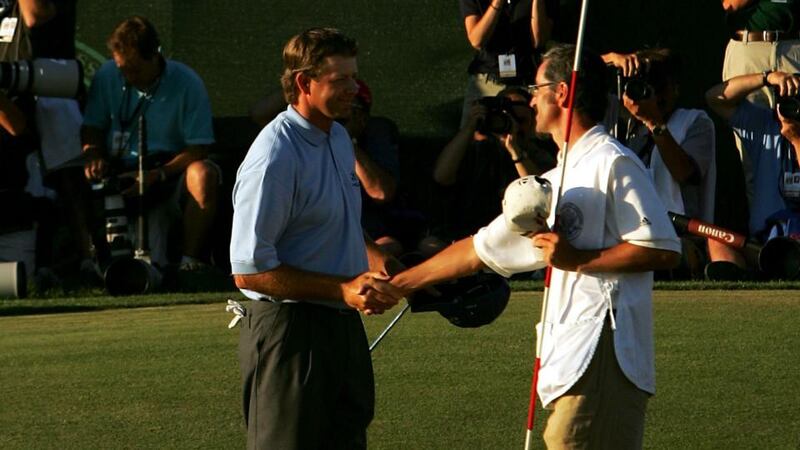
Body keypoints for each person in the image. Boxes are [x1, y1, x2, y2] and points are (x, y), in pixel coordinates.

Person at [392, 44, 681, 449]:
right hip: (572, 357)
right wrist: (400, 283)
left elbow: (663, 247)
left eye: (536, 87)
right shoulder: (560, 173)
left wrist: (579, 259)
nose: (529, 98)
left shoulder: (613, 161)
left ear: (562, 92)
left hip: (605, 352)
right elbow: (480, 248)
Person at [229, 28, 403, 449]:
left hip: (339, 327)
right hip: (290, 331)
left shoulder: (339, 136)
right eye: (340, 80)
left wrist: (379, 260)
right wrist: (342, 288)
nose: (354, 89)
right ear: (305, 83)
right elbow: (249, 271)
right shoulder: (275, 154)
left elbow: (333, 221)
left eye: (354, 77)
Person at [81, 16, 218, 270]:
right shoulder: (107, 75)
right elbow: (92, 127)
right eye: (121, 67)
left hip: (168, 171)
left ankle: (189, 263)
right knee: (71, 175)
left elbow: (199, 148)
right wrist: (93, 155)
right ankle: (86, 261)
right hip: (119, 169)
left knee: (203, 173)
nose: (126, 75)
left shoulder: (187, 82)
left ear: (155, 56)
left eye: (133, 69)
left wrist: (157, 175)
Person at [606, 48, 719, 279]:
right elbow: (570, 79)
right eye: (646, 85)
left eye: (659, 86)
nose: (654, 95)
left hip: (678, 234)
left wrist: (653, 121)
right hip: (627, 231)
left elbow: (685, 174)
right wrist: (610, 59)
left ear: (675, 88)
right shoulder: (617, 119)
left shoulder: (694, 122)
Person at [433, 86, 555, 242]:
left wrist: (516, 152)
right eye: (506, 117)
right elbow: (442, 176)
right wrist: (471, 126)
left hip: (519, 239)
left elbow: (541, 194)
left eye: (521, 120)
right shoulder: (477, 150)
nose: (512, 125)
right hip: (470, 233)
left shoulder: (539, 154)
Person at [706, 71, 800, 247]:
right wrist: (767, 77)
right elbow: (715, 98)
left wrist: (796, 140)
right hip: (765, 241)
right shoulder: (765, 124)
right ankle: (738, 273)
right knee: (717, 241)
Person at [459, 0, 557, 127]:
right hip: (487, 82)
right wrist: (497, 3)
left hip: (527, 82)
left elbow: (539, 40)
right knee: (475, 136)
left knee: (530, 135)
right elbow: (476, 40)